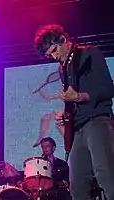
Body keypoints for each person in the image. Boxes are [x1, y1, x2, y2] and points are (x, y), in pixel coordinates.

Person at [34, 24, 114, 200]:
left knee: (107, 177)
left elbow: (108, 89)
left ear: (63, 40)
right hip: (78, 128)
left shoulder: (89, 53)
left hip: (97, 121)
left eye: (54, 50)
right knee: (77, 185)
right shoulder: (63, 69)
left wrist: (78, 96)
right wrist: (66, 116)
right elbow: (72, 100)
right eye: (50, 55)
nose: (54, 56)